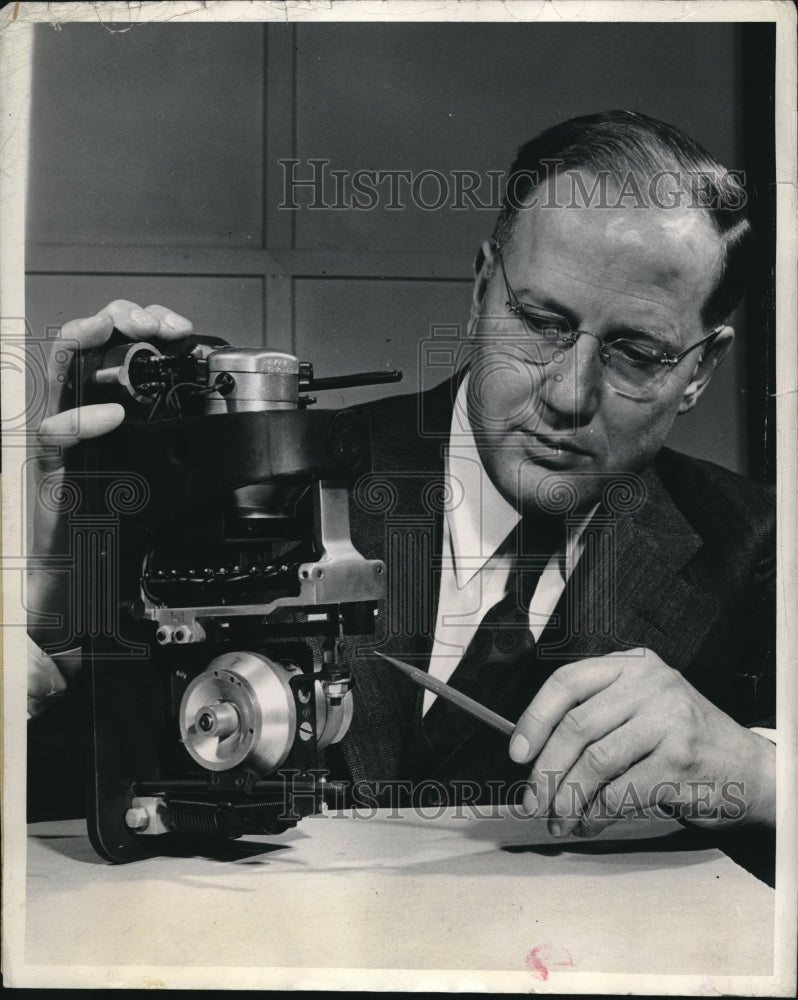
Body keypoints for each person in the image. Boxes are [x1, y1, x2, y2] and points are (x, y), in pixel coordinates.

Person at [28, 112, 776, 847]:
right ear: (482, 289)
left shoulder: (758, 546)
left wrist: (755, 770)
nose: (569, 394)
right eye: (542, 322)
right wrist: (56, 622)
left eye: (637, 353)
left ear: (701, 371)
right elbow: (63, 809)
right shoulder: (250, 483)